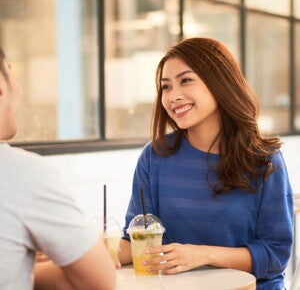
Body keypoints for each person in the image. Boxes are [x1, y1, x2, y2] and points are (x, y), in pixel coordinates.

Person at [118, 37, 294, 289]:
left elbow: (275, 254)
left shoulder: (263, 159)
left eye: (186, 80)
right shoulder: (154, 157)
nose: (173, 96)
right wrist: (90, 251)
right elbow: (136, 241)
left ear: (219, 82)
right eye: (165, 87)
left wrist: (203, 254)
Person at [0, 46, 116, 290]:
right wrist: (24, 265)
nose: (18, 88)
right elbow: (98, 281)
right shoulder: (23, 173)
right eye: (11, 74)